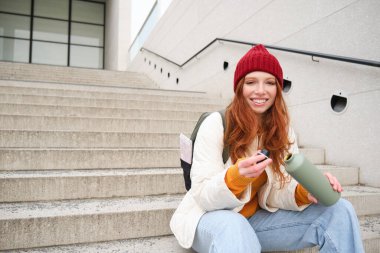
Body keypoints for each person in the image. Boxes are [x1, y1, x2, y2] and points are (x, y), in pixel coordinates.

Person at [170, 44, 364, 253]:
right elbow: (201, 194)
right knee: (235, 226)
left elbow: (278, 191)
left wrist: (303, 192)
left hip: (256, 221)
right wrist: (235, 177)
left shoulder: (283, 130)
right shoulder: (216, 123)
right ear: (240, 87)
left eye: (269, 83)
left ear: (277, 89)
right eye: (251, 82)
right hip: (208, 218)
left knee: (339, 210)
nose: (260, 91)